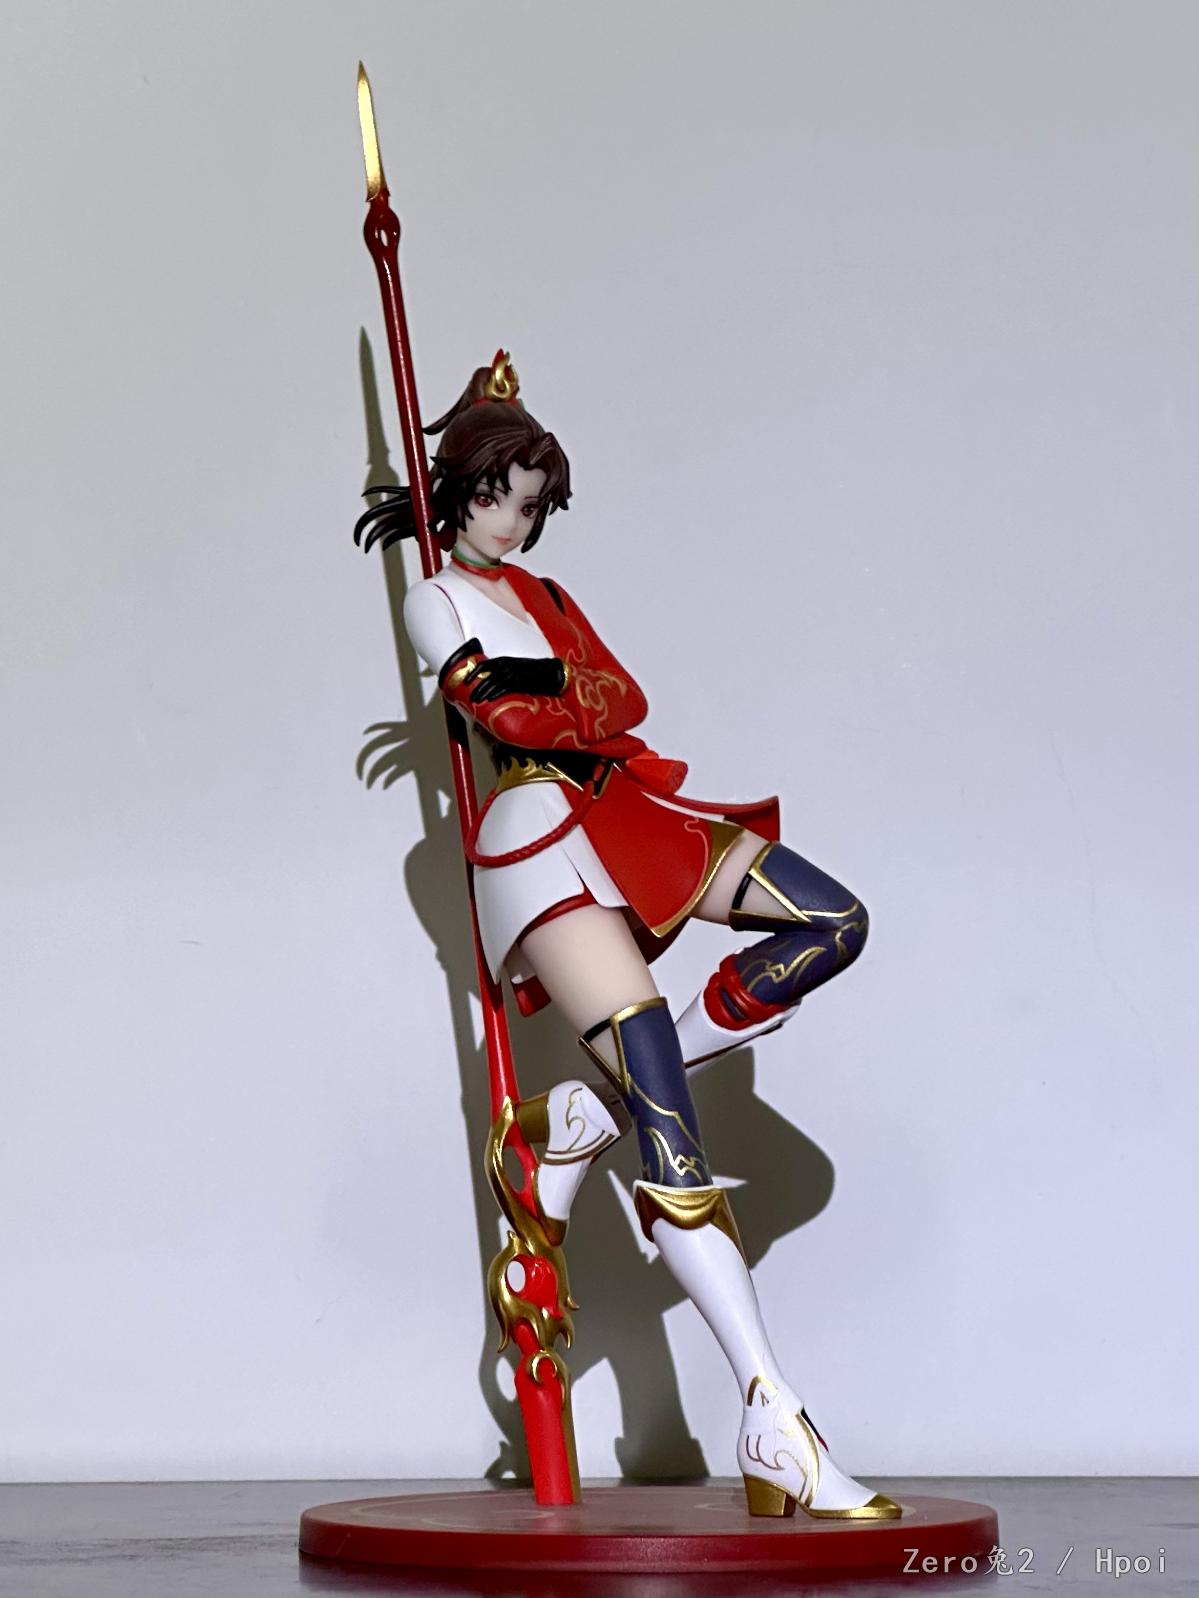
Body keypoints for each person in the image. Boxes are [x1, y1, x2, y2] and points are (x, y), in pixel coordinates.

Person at [375, 352, 898, 1521]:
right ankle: (772, 1417)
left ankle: (574, 1121)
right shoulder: (434, 598)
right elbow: (510, 714)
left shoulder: (547, 597)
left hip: (628, 811)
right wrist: (566, 699)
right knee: (674, 1128)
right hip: (534, 839)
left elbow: (626, 699)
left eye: (532, 503)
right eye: (501, 495)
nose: (516, 520)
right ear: (457, 487)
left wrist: (560, 694)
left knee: (831, 919)